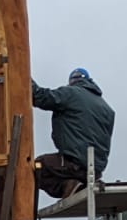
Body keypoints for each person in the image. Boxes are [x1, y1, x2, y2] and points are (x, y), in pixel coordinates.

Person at [32, 69, 115, 199]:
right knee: (60, 167)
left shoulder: (71, 93)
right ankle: (77, 186)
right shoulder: (106, 108)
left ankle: (69, 186)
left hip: (74, 164)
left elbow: (40, 97)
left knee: (36, 167)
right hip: (95, 170)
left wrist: (24, 76)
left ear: (72, 81)